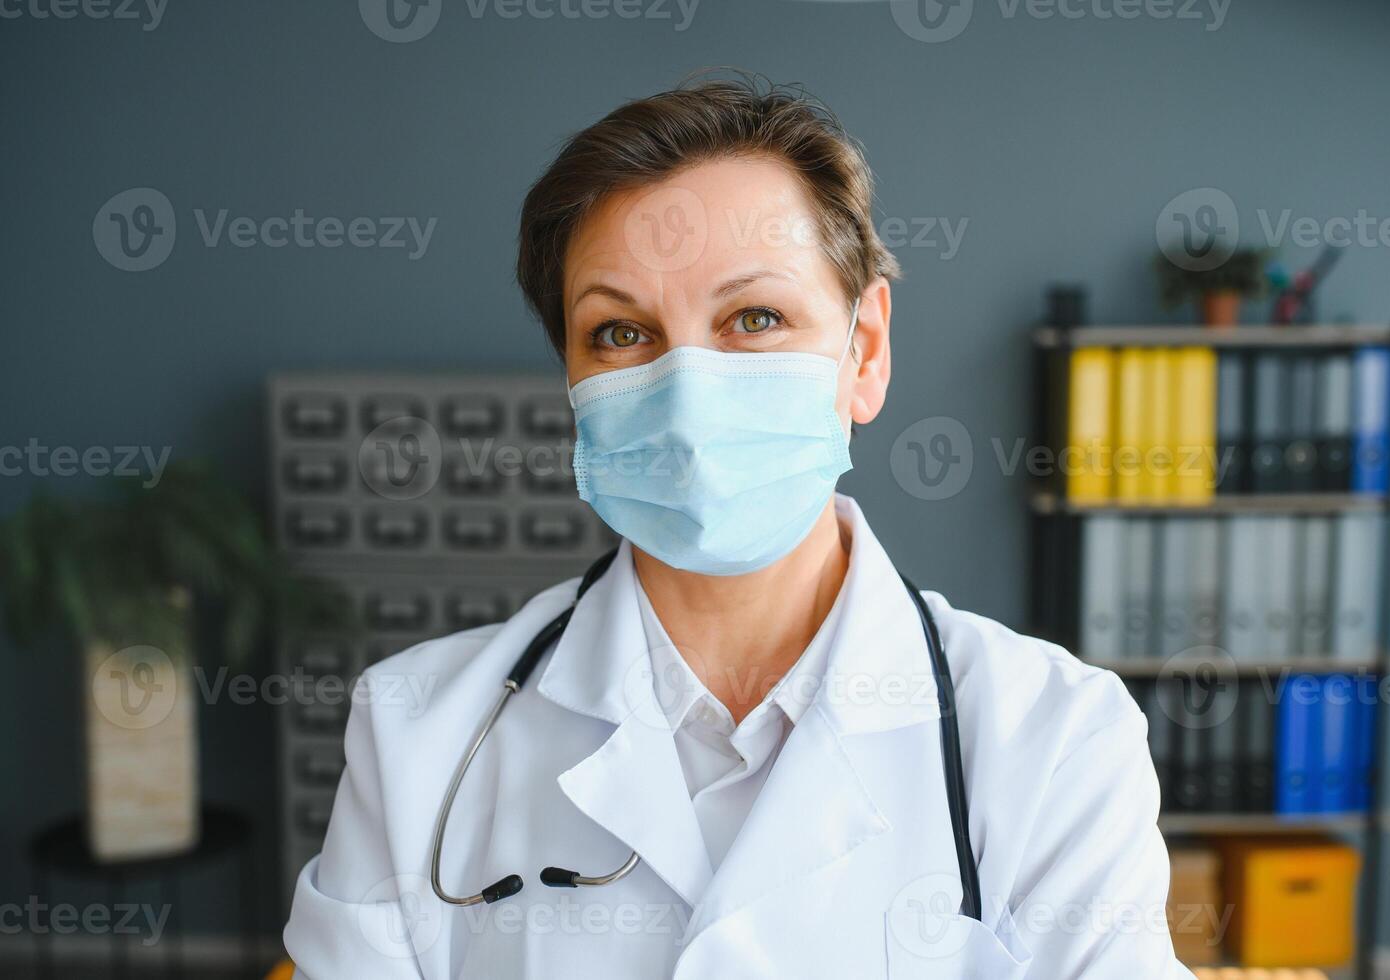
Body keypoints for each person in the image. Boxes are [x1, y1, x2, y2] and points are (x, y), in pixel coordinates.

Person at [284, 73, 1190, 979]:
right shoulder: (416, 731)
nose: (685, 397)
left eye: (754, 319)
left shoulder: (1054, 739)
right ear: (570, 375)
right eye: (620, 333)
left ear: (863, 352)